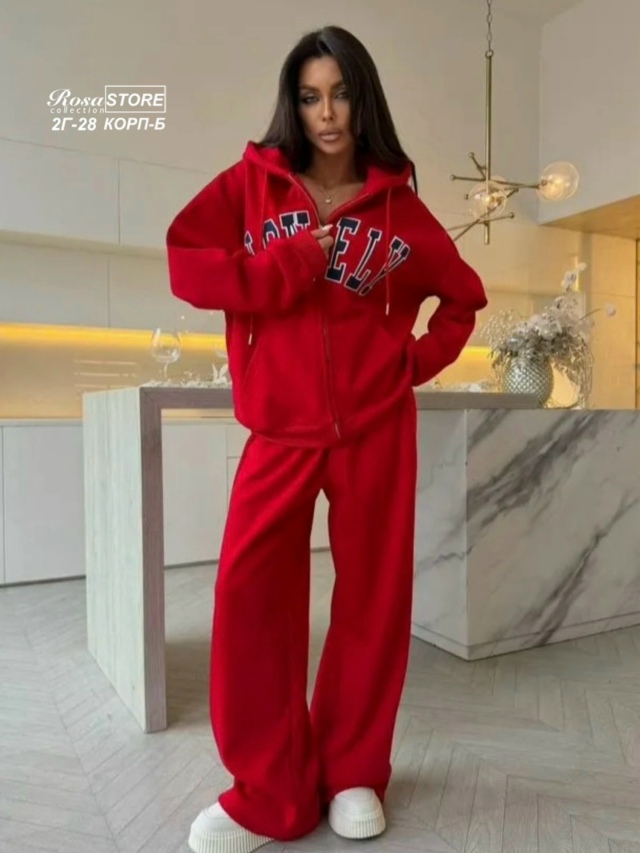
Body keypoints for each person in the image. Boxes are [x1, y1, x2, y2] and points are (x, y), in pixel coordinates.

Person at [165, 24, 487, 853]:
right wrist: (287, 266)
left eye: (341, 93)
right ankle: (267, 792)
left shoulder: (402, 210)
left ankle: (352, 771)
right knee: (249, 597)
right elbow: (187, 263)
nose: (327, 113)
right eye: (310, 97)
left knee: (373, 599)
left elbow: (462, 299)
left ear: (362, 99)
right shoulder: (250, 187)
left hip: (376, 427)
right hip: (279, 426)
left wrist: (409, 364)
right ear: (294, 104)